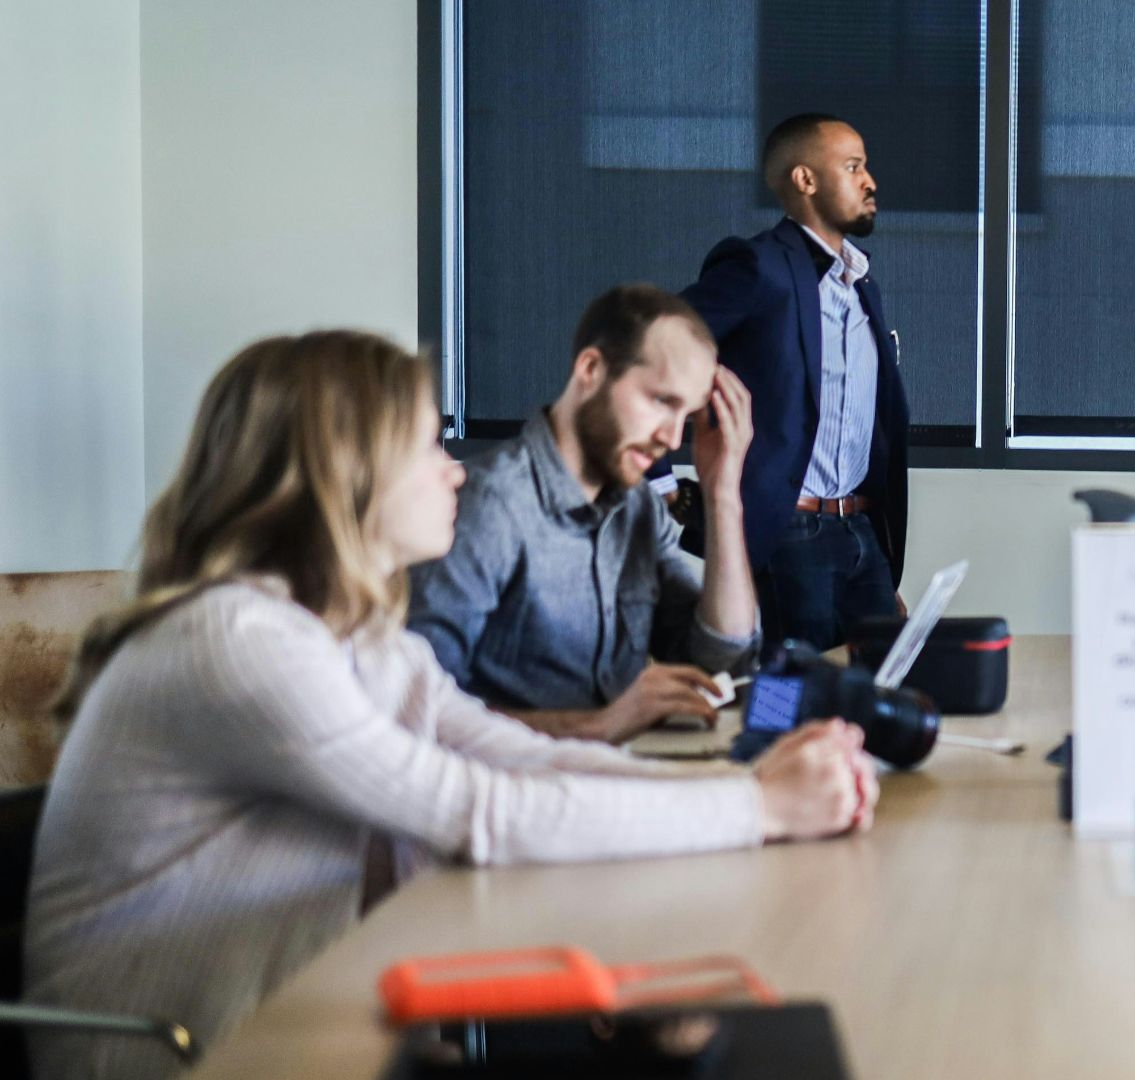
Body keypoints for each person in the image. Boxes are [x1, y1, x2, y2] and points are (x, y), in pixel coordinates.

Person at [24, 331, 877, 1080]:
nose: (455, 468)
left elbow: (520, 758)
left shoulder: (360, 639)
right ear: (344, 469)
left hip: (304, 1016)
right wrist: (755, 806)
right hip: (190, 1054)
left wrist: (750, 793)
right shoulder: (239, 641)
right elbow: (476, 812)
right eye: (428, 445)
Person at [408, 284, 756, 741]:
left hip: (609, 777)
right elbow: (417, 712)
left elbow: (722, 659)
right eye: (660, 402)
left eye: (687, 418)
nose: (672, 440)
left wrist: (723, 493)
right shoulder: (489, 506)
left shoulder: (640, 510)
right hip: (512, 792)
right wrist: (596, 727)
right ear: (591, 369)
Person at [681, 113, 909, 654]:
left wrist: (872, 543)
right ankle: (755, 744)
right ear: (805, 180)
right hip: (790, 532)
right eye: (853, 167)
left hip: (859, 530)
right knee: (789, 696)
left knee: (881, 687)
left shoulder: (861, 286)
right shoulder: (758, 267)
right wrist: (665, 483)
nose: (870, 181)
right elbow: (655, 344)